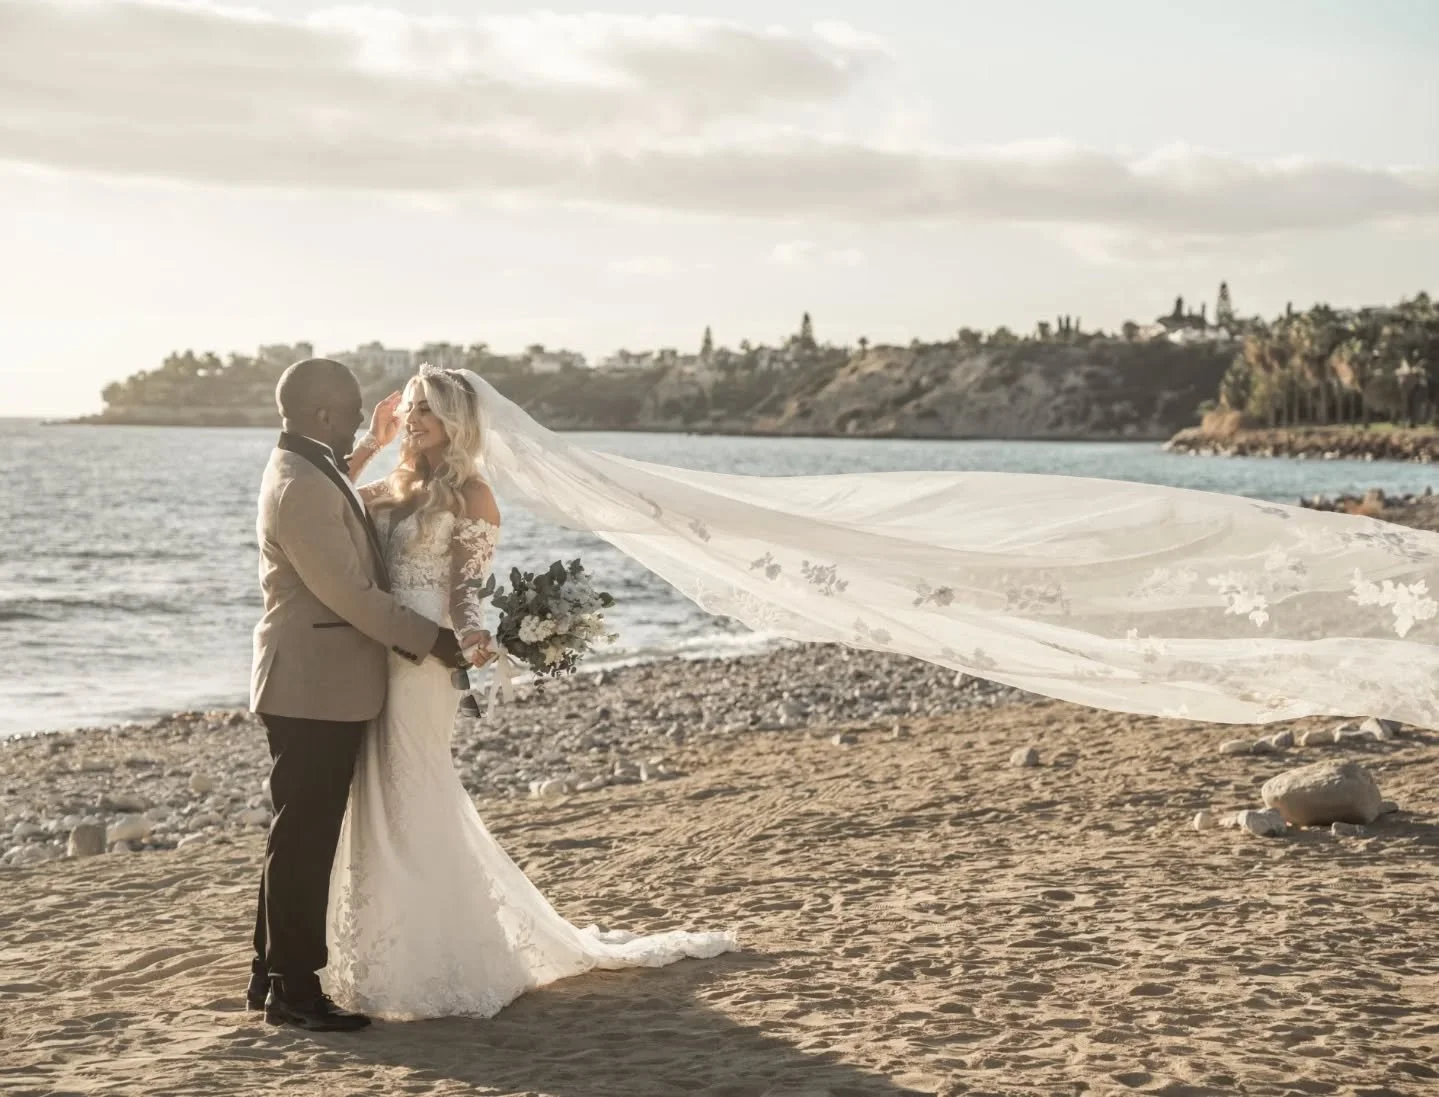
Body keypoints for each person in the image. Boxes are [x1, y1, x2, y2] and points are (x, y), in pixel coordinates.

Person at [324, 365, 735, 1020]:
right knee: (372, 796)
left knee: (412, 795)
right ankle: (375, 945)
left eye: (427, 410)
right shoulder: (394, 485)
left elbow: (463, 597)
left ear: (456, 421)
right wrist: (371, 444)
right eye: (410, 409)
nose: (414, 420)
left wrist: (488, 640)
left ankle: (433, 957)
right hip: (371, 656)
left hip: (423, 668)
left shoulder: (473, 495)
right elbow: (322, 503)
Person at [249, 358, 467, 1031]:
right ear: (321, 414)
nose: (360, 421)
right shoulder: (303, 485)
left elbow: (345, 488)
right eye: (349, 412)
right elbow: (352, 595)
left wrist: (369, 443)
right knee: (306, 837)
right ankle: (293, 990)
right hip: (314, 685)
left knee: (295, 831)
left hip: (312, 681)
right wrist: (433, 639)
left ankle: (268, 974)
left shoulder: (308, 465)